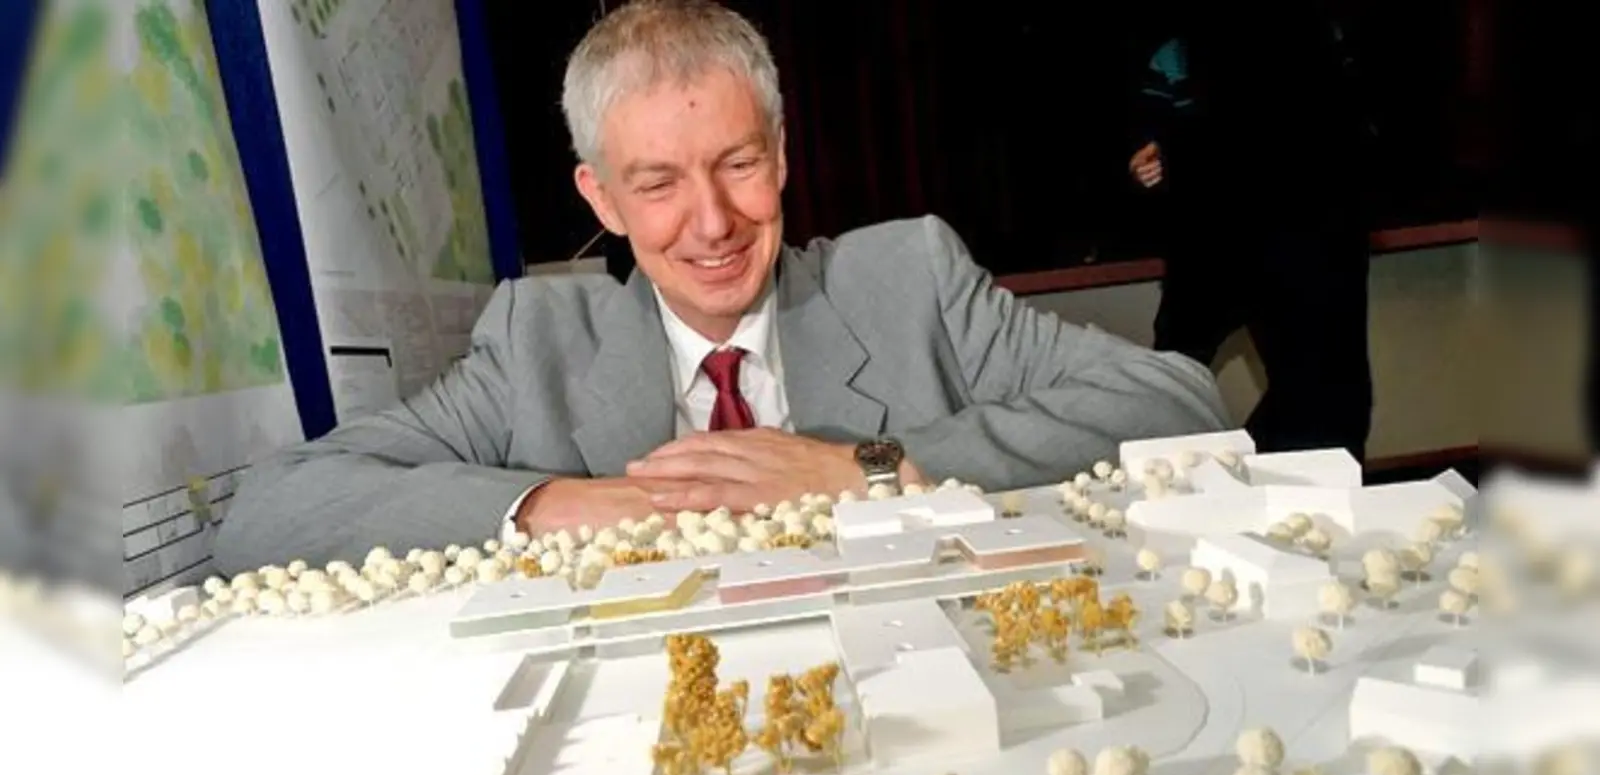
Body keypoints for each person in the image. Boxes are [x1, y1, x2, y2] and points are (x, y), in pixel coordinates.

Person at [214, 0, 1228, 573]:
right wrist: (555, 506)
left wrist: (865, 471)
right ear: (602, 198)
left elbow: (1181, 401)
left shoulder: (908, 276)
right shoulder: (537, 339)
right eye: (658, 184)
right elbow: (271, 510)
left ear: (780, 156)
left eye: (738, 165)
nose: (711, 223)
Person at [1128, 6, 1374, 463]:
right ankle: (1206, 479)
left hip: (1310, 240)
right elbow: (1149, 134)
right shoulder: (1177, 54)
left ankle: (1253, 477)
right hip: (1213, 244)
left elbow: (1353, 130)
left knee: (1328, 405)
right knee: (1167, 390)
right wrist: (1149, 158)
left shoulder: (1323, 35)